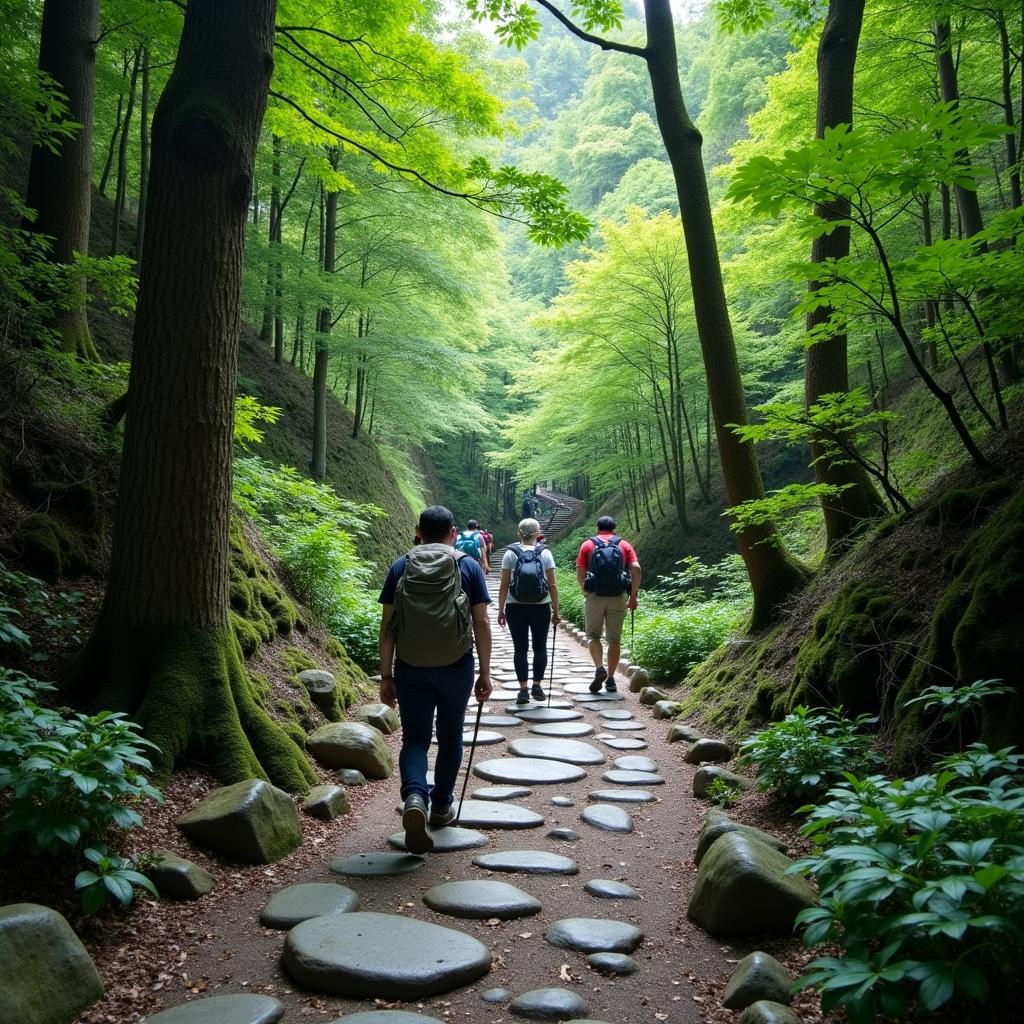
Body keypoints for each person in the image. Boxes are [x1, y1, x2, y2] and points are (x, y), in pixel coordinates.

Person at [378, 505, 492, 854]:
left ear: (418, 532)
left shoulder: (401, 566)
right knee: (450, 734)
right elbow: (482, 623)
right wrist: (485, 673)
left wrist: (386, 675)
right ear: (453, 533)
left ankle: (415, 796)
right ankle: (441, 804)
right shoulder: (468, 565)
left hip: (411, 666)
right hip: (456, 665)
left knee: (415, 738)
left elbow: (387, 628)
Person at [496, 517, 560, 705]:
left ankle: (523, 690)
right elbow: (552, 585)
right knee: (540, 647)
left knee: (520, 649)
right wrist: (556, 610)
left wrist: (501, 609)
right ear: (538, 534)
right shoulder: (545, 553)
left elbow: (504, 584)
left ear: (519, 534)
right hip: (541, 607)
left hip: (515, 606)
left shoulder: (510, 554)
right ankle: (537, 685)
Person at [576, 515, 641, 693]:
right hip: (618, 596)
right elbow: (636, 569)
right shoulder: (624, 545)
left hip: (595, 596)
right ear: (614, 528)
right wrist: (633, 595)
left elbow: (580, 572)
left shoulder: (588, 545)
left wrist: (585, 592)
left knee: (593, 636)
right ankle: (611, 679)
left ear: (597, 528)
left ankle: (599, 668)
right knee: (614, 640)